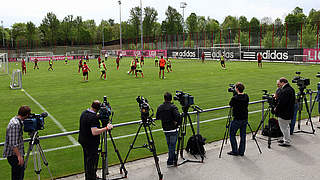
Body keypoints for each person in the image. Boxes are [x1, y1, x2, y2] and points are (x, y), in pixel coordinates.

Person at [78, 100, 113, 180]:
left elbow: (90, 119)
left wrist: (98, 116)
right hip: (91, 143)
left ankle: (89, 176)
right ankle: (91, 177)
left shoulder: (84, 113)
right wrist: (106, 128)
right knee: (92, 161)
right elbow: (94, 132)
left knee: (87, 160)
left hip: (83, 141)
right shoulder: (93, 118)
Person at [3, 105, 31, 180]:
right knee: (18, 176)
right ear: (27, 115)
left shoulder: (16, 120)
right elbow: (13, 144)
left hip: (16, 154)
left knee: (17, 175)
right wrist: (19, 156)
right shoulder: (15, 125)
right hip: (14, 155)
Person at [156, 92, 181, 167]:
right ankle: (170, 161)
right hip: (173, 129)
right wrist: (176, 123)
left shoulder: (160, 107)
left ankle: (173, 158)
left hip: (165, 129)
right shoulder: (173, 107)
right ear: (171, 99)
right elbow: (178, 117)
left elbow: (157, 117)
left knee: (170, 145)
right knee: (172, 146)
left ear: (164, 98)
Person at [228, 82, 249, 156]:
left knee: (232, 135)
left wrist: (234, 94)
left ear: (236, 89)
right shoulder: (246, 96)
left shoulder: (235, 98)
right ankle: (241, 151)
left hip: (237, 119)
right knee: (243, 135)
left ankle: (235, 151)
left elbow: (230, 104)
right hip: (245, 118)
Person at [274, 77, 295, 146]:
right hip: (289, 111)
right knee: (286, 127)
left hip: (285, 113)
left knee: (284, 127)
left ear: (283, 82)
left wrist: (276, 108)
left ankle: (286, 141)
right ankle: (285, 139)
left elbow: (282, 103)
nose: (279, 85)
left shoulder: (285, 90)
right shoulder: (291, 89)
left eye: (279, 83)